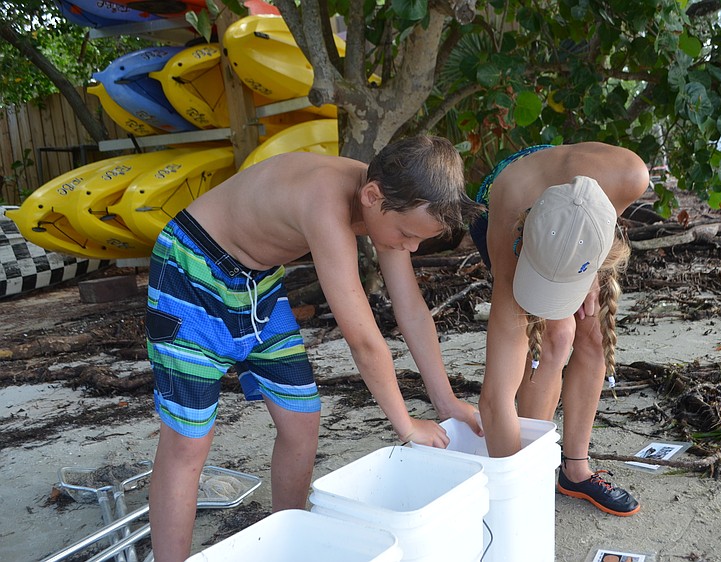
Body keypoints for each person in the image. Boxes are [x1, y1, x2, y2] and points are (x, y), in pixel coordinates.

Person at [144, 135, 484, 562]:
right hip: (189, 271)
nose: (410, 247)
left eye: (419, 239)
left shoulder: (389, 199)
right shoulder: (325, 201)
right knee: (188, 439)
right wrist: (405, 424)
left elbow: (411, 309)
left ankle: (290, 542)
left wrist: (445, 399)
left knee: (301, 419)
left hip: (256, 283)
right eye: (407, 235)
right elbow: (361, 337)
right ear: (372, 197)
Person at [469, 142, 649, 516]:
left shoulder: (630, 176)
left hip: (582, 216)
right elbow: (494, 399)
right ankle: (538, 468)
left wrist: (588, 274)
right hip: (504, 203)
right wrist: (517, 493)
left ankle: (574, 470)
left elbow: (597, 220)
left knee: (595, 333)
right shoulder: (507, 241)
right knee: (556, 334)